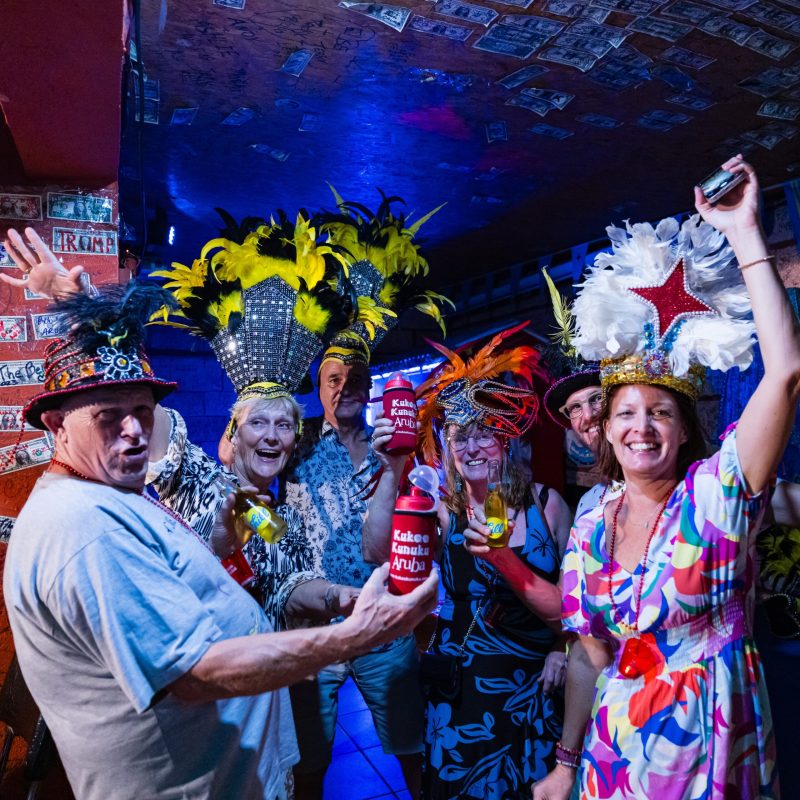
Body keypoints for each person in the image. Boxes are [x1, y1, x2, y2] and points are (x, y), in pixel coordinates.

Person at [2, 281, 438, 800]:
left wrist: (338, 598)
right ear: (232, 434)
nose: (272, 436)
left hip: (238, 754)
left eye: (284, 425)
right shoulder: (188, 480)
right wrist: (95, 311)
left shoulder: (264, 513)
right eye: (259, 423)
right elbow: (192, 670)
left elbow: (285, 576)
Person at [533, 156, 797, 799]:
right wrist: (565, 764)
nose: (642, 427)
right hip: (615, 761)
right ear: (605, 429)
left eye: (660, 413)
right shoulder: (590, 526)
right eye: (626, 413)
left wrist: (744, 232)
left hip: (712, 754)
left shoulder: (715, 494)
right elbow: (593, 655)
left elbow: (786, 371)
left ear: (683, 430)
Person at [284, 191, 450, 799]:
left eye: (355, 378)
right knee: (309, 761)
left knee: (410, 748)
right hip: (316, 621)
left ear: (369, 385)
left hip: (385, 621)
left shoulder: (396, 444)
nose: (344, 387)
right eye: (333, 378)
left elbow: (428, 514)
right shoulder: (294, 440)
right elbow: (236, 452)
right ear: (318, 387)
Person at [415, 325, 573, 800]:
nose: (471, 448)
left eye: (484, 433)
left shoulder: (547, 505)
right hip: (462, 687)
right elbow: (388, 561)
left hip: (536, 684)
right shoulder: (443, 511)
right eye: (460, 437)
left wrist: (562, 647)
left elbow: (578, 602)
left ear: (506, 437)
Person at [540, 268, 619, 519]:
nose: (588, 415)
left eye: (597, 398)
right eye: (575, 407)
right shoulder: (588, 504)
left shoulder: (681, 489)